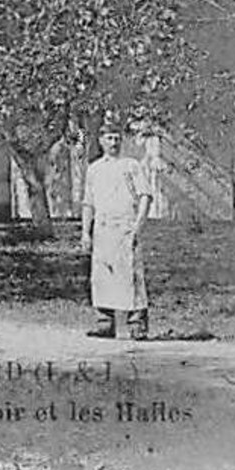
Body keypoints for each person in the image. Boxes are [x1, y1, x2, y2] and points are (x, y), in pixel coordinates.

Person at [82, 116, 153, 339]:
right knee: (103, 275)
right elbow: (88, 203)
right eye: (109, 138)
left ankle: (136, 324)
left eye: (117, 138)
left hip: (125, 227)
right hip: (103, 228)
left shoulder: (131, 165)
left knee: (131, 274)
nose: (113, 142)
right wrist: (85, 232)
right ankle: (105, 322)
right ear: (101, 141)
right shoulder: (94, 169)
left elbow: (145, 196)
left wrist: (138, 225)